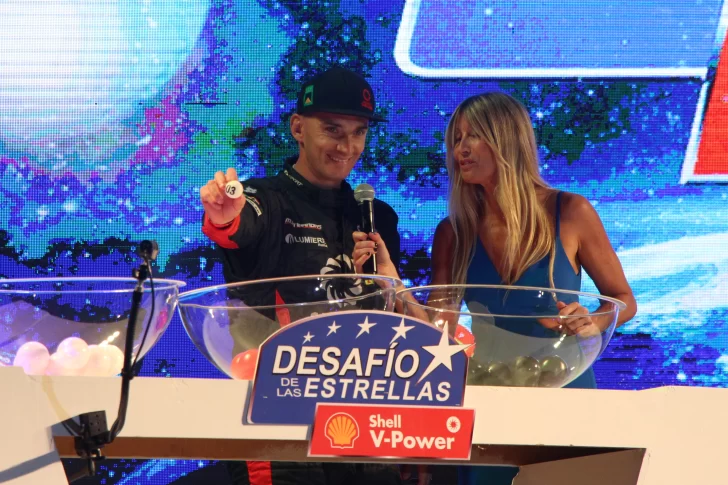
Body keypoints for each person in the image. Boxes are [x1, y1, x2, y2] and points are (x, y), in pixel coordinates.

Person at [353, 92, 637, 484]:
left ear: (507, 140)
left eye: (473, 136)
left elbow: (623, 300)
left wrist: (594, 321)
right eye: (456, 139)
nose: (461, 150)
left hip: (565, 390)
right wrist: (392, 281)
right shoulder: (453, 232)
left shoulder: (571, 212)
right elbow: (439, 332)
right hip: (490, 395)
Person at [200, 67, 402, 485]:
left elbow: (395, 314)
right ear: (297, 128)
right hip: (278, 419)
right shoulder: (264, 198)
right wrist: (223, 217)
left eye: (359, 132)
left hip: (368, 416)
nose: (347, 147)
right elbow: (237, 225)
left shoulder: (376, 216)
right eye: (332, 130)